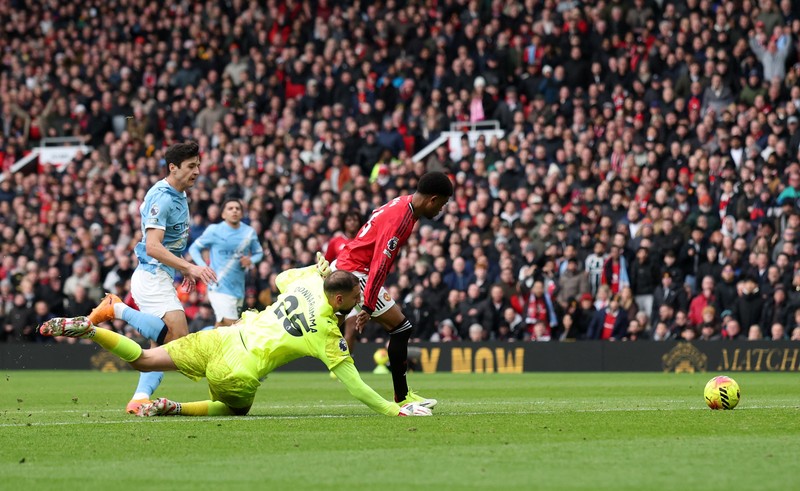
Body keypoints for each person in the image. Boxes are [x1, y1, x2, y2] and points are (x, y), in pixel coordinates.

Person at [40, 257, 432, 418]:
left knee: (144, 358)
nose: (355, 308)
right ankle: (175, 408)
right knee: (234, 409)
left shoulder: (310, 281)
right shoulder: (328, 333)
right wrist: (392, 409)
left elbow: (280, 278)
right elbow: (357, 387)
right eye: (354, 302)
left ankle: (92, 328)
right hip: (239, 369)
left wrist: (316, 267)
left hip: (222, 337)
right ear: (341, 297)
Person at [87, 141, 217, 414]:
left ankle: (139, 398)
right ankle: (116, 307)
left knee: (162, 347)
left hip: (159, 274)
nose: (197, 171)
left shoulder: (179, 194)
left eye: (198, 165)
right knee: (179, 340)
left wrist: (182, 267)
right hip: (151, 274)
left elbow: (167, 244)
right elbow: (153, 246)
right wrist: (191, 267)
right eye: (191, 166)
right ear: (173, 167)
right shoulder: (163, 197)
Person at [333, 171, 453, 408]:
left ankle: (404, 396)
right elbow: (380, 262)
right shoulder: (401, 218)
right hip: (356, 271)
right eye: (442, 203)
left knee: (399, 328)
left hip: (350, 263)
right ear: (433, 199)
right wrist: (367, 304)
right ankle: (403, 398)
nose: (441, 209)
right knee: (400, 328)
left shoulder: (404, 203)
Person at [188, 197, 264, 327]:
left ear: (241, 213)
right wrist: (203, 267)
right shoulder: (214, 230)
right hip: (218, 286)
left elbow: (259, 253)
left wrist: (250, 260)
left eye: (237, 208)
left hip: (239, 288)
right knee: (232, 326)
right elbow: (194, 248)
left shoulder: (249, 232)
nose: (234, 211)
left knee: (222, 326)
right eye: (230, 208)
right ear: (223, 214)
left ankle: (209, 347)